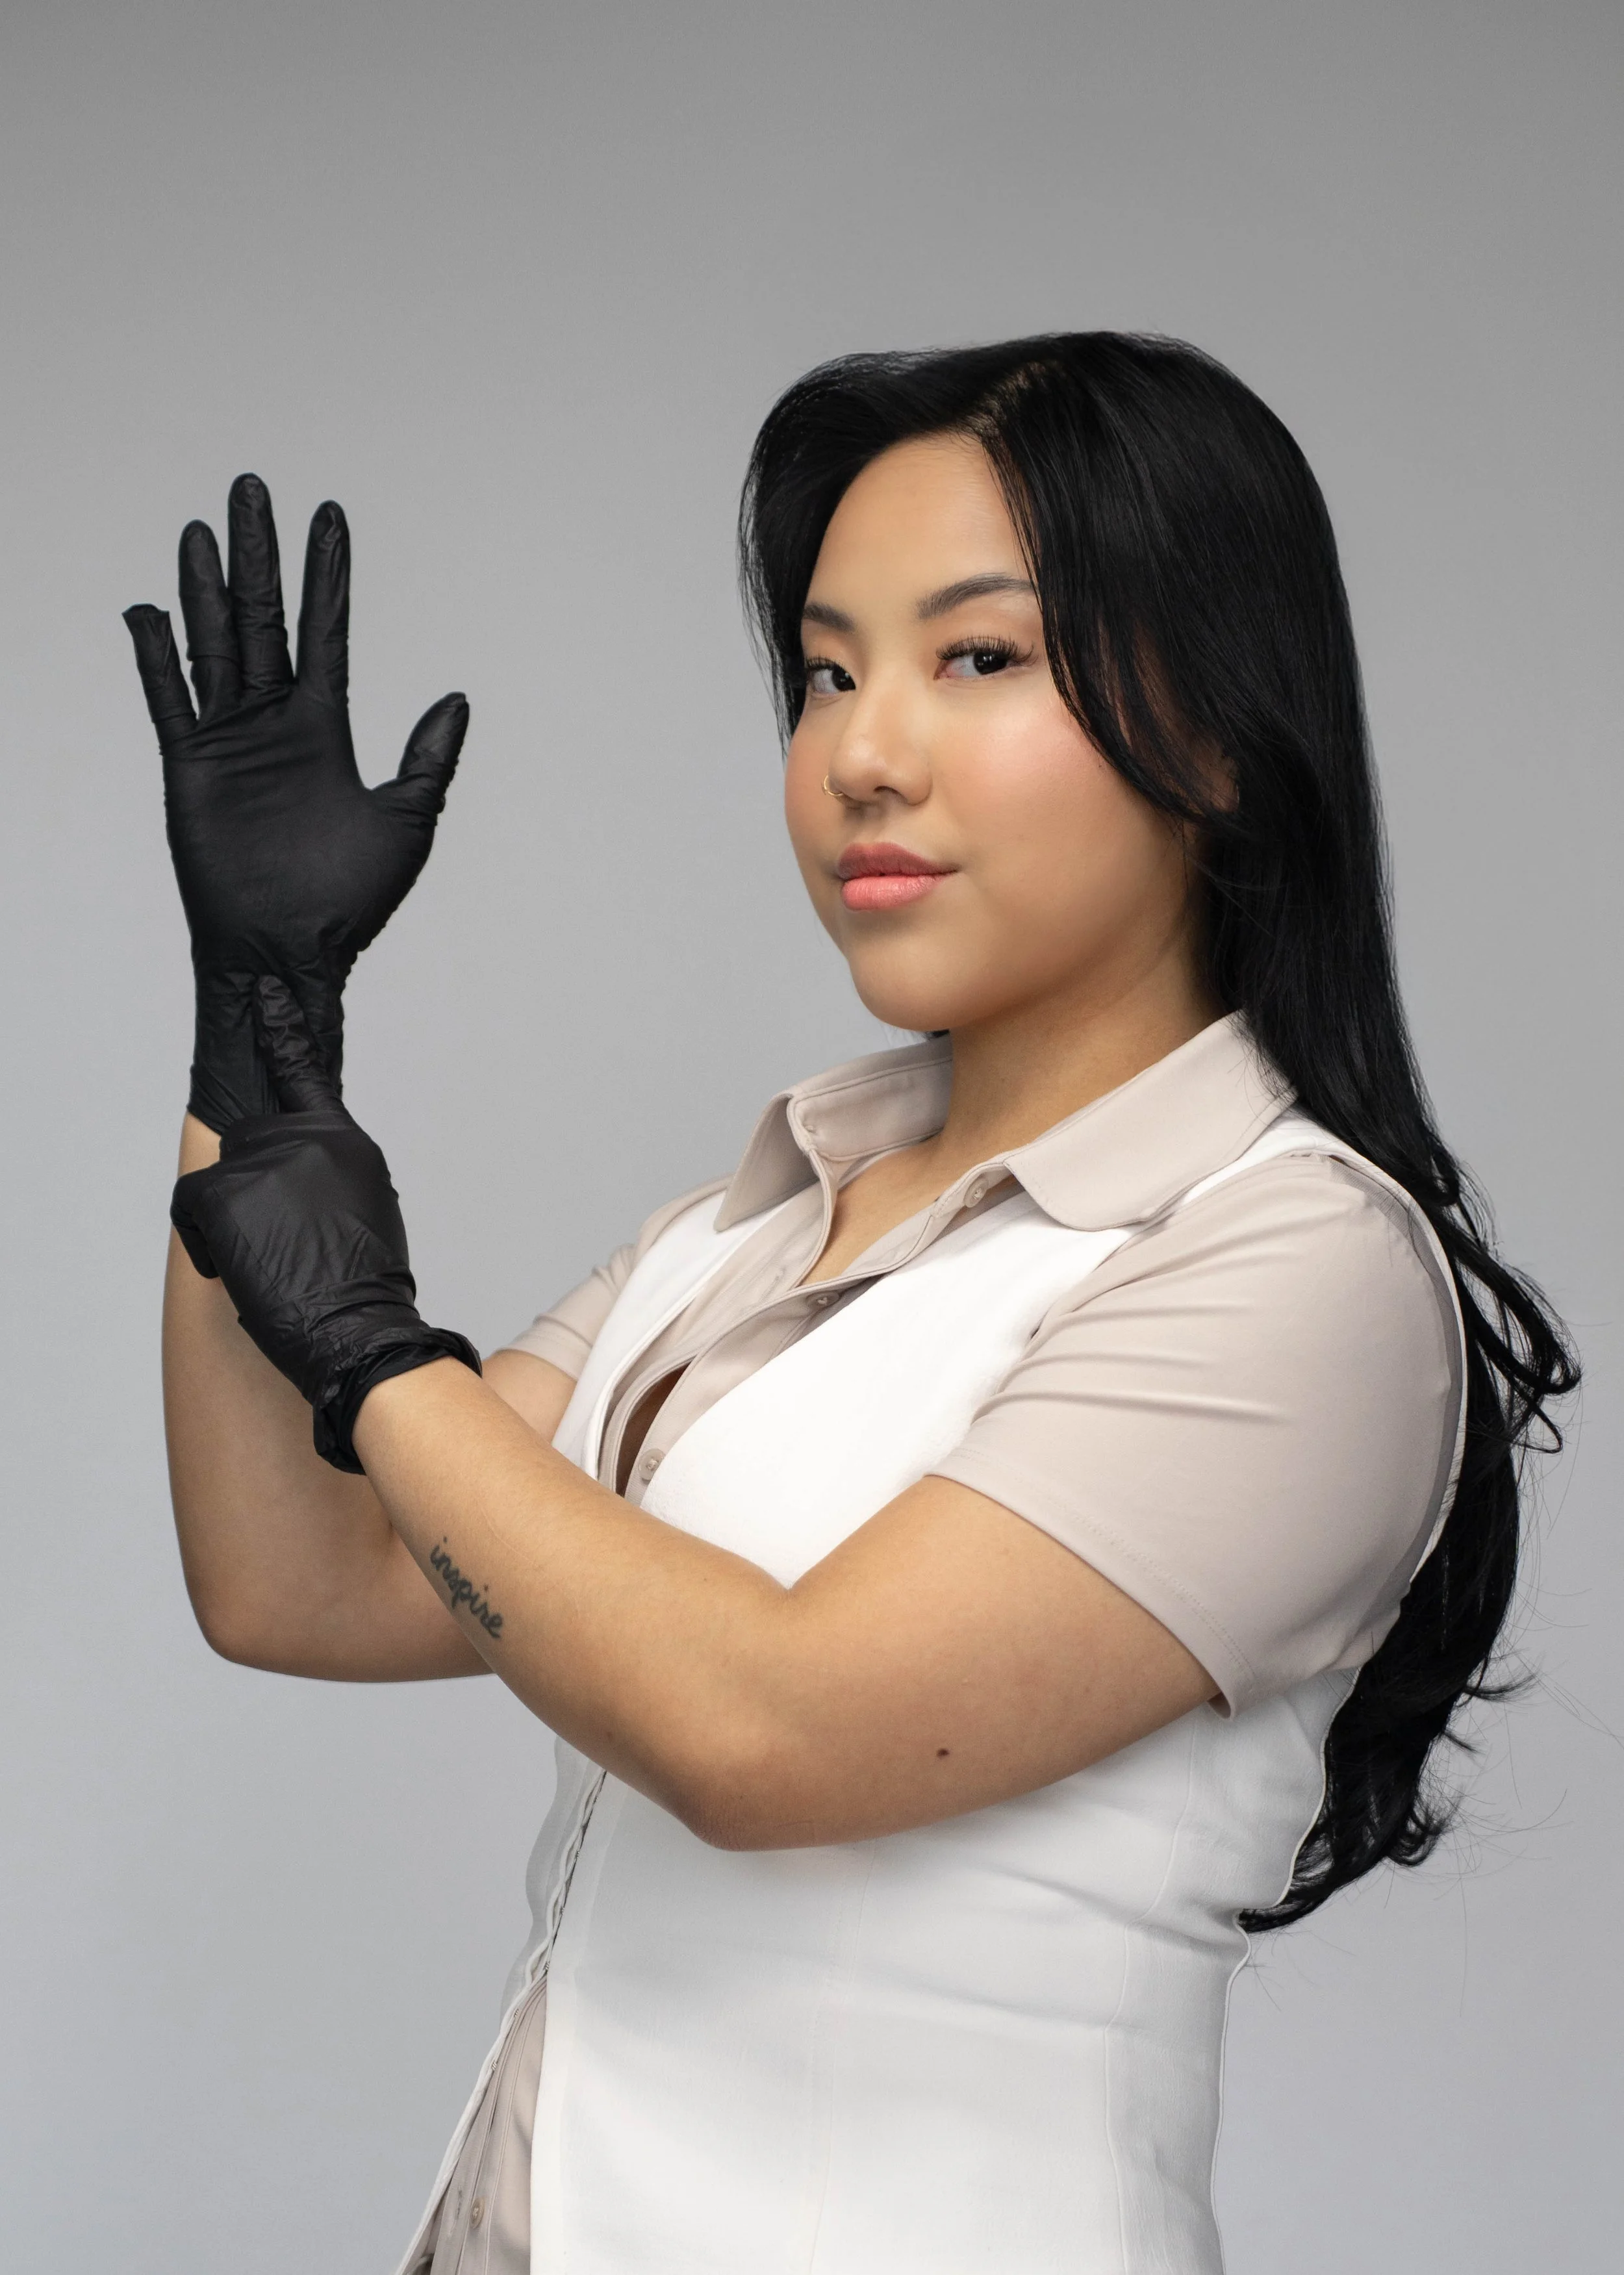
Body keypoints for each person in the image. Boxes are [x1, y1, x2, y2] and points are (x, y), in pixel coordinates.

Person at [124, 334, 1576, 2274]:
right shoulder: (747, 1220)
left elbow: (771, 1731)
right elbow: (303, 1582)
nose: (862, 756)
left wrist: (379, 1350)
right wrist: (260, 1027)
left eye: (978, 656)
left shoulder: (1296, 1264)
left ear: (1225, 732)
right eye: (825, 672)